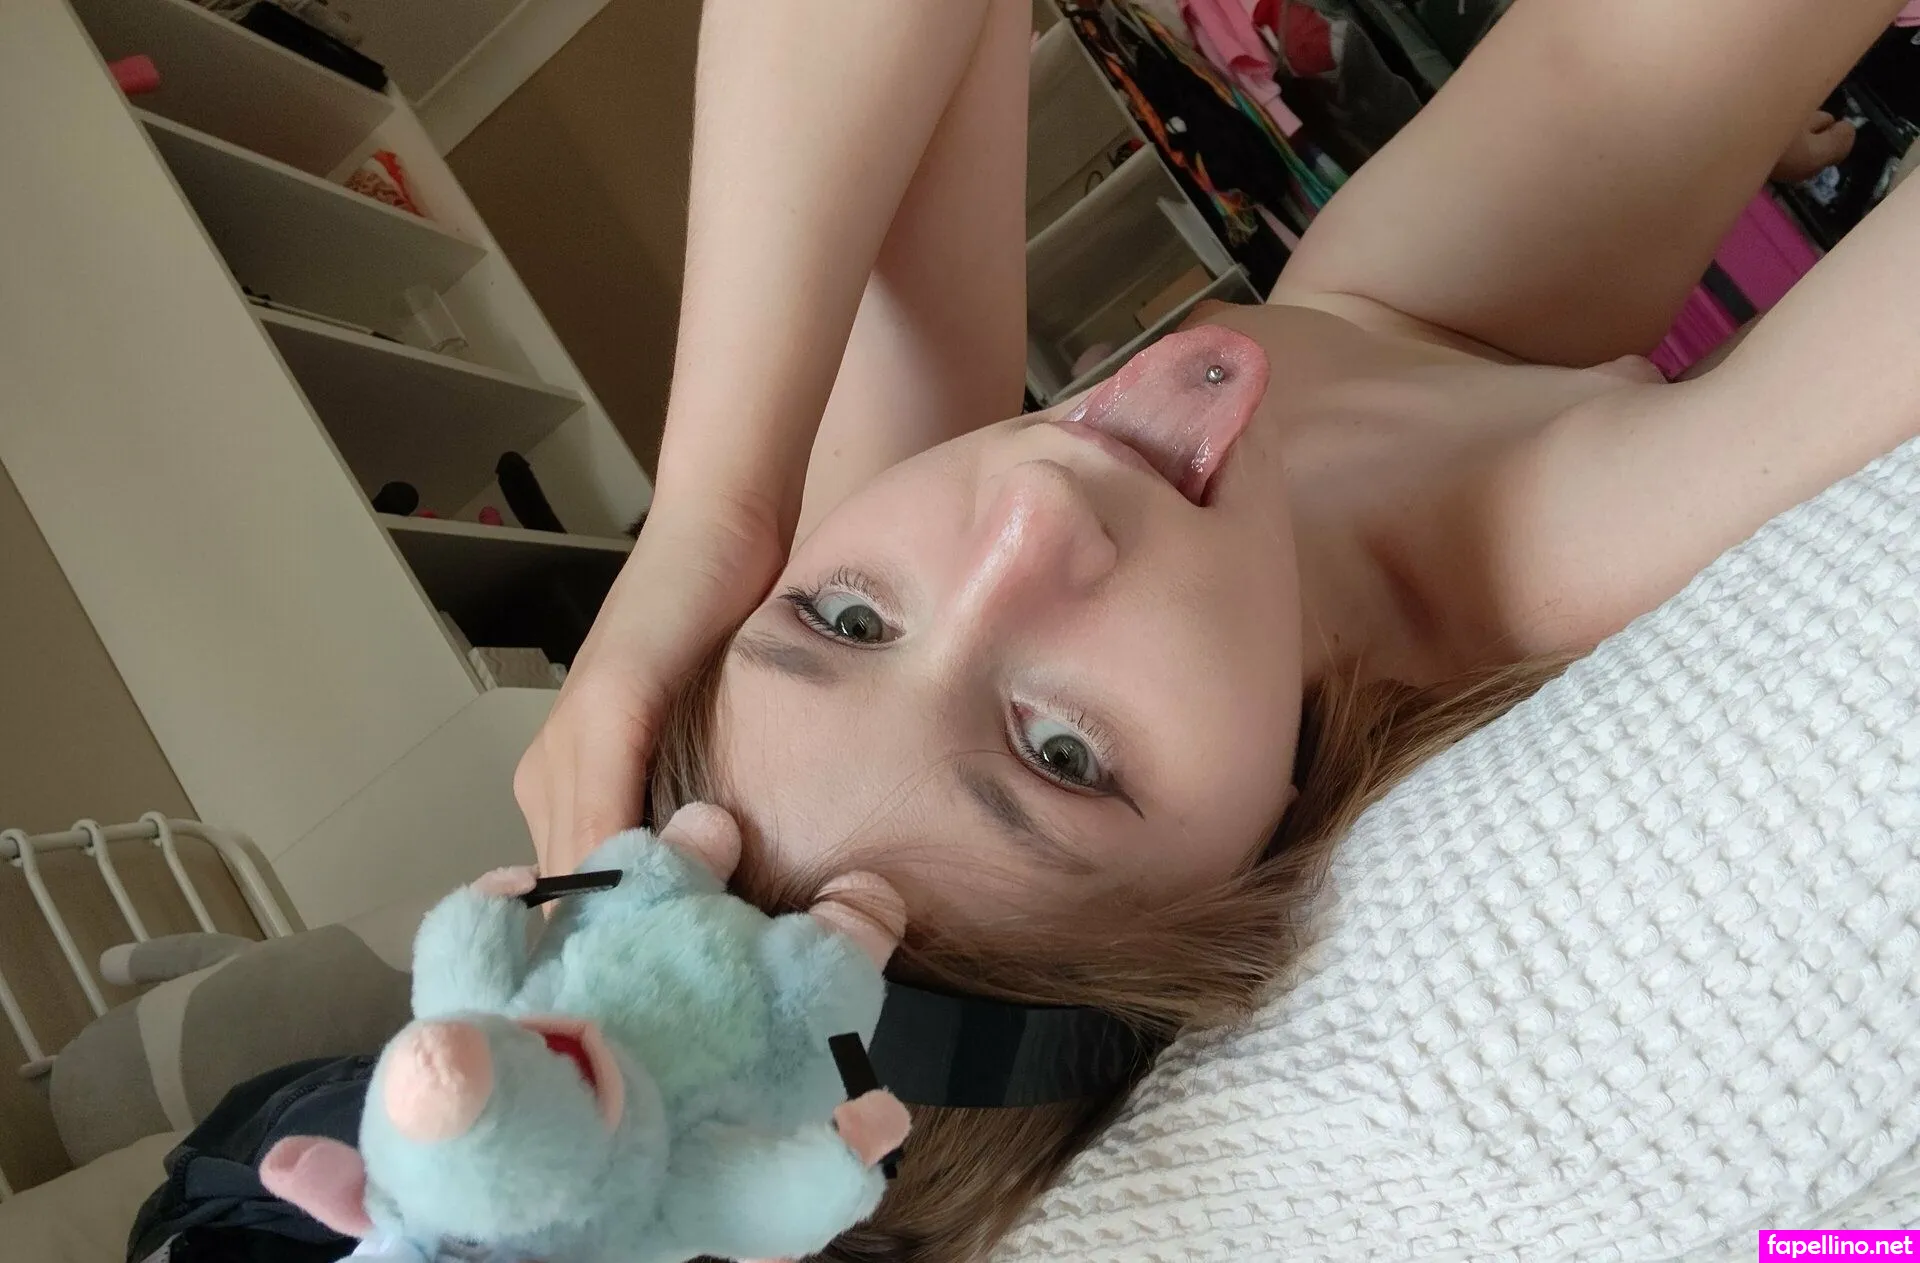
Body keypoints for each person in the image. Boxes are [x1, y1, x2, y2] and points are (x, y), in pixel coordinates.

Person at [514, 1, 1920, 1257]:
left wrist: (710, 515)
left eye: (846, 615)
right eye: (1061, 753)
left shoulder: (888, 620)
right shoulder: (1577, 565)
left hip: (1423, 308)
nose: (1030, 519)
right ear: (1234, 896)